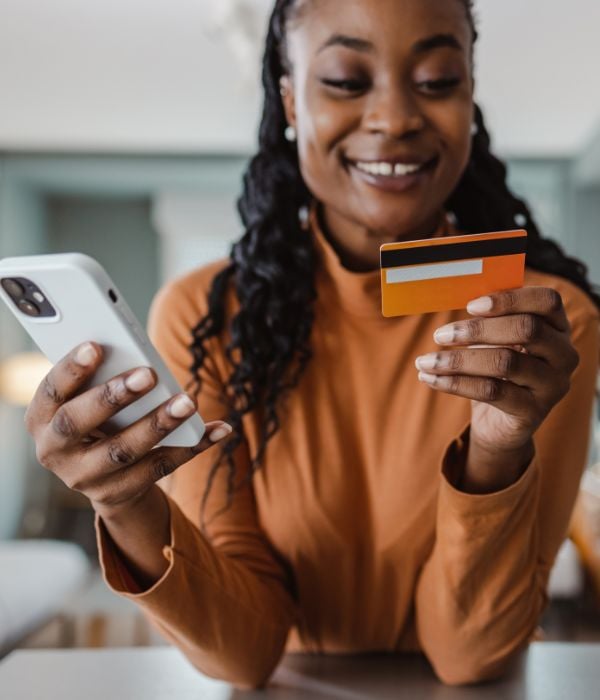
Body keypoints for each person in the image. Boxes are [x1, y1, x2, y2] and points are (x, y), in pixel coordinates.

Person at [25, 0, 600, 689]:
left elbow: (468, 654)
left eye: (438, 79)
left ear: (470, 96)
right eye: (346, 81)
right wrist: (124, 503)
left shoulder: (545, 321)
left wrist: (499, 451)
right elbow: (243, 652)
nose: (394, 118)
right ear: (291, 99)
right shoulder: (209, 315)